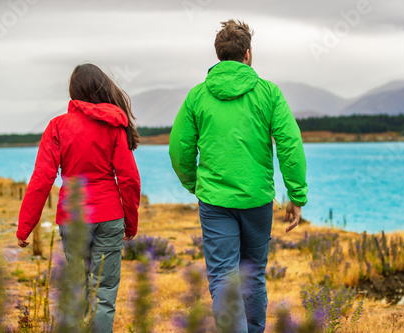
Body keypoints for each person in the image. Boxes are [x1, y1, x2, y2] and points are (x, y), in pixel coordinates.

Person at [169, 19, 308, 333]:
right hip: (257, 200)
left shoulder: (197, 96)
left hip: (215, 201)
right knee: (253, 275)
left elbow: (179, 149)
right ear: (248, 53)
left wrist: (193, 183)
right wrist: (296, 195)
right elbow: (290, 145)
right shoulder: (269, 93)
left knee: (223, 278)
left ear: (219, 54)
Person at [16, 63, 141, 333]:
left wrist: (25, 226)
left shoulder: (58, 126)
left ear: (74, 92)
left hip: (73, 219)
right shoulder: (114, 125)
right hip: (109, 218)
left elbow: (41, 180)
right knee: (104, 293)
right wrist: (131, 223)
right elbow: (129, 179)